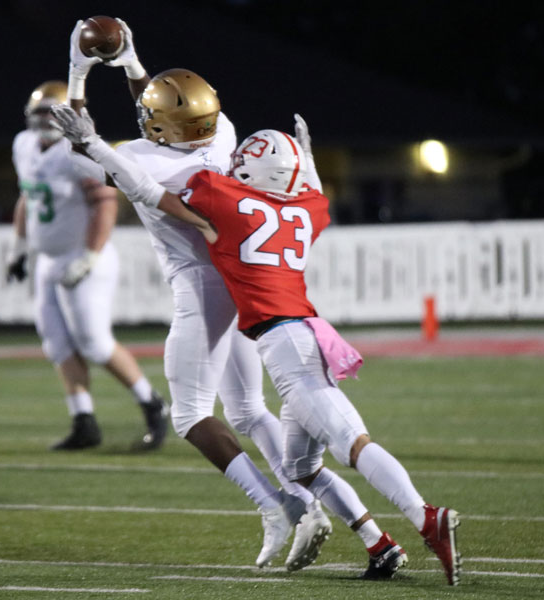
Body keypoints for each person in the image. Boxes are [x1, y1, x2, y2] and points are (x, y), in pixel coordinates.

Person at [50, 106, 462, 585]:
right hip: (310, 335)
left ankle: (425, 515)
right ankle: (379, 543)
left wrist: (95, 145)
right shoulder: (308, 207)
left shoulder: (226, 204)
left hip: (286, 347)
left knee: (352, 444)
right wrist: (304, 156)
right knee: (300, 466)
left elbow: (144, 189)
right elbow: (311, 189)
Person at [64, 19, 331, 569]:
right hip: (239, 281)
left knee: (188, 415)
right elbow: (163, 112)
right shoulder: (224, 134)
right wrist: (134, 64)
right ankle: (311, 504)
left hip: (199, 286)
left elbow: (84, 139)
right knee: (248, 407)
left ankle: (279, 506)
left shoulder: (141, 156)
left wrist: (80, 69)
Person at [7, 80, 169, 452]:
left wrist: (90, 256)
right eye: (40, 112)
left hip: (84, 258)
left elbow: (106, 203)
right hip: (48, 259)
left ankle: (152, 403)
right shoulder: (23, 145)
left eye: (54, 111)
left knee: (94, 343)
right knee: (58, 344)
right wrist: (17, 249)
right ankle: (84, 421)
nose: (46, 119)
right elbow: (27, 197)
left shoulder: (77, 150)